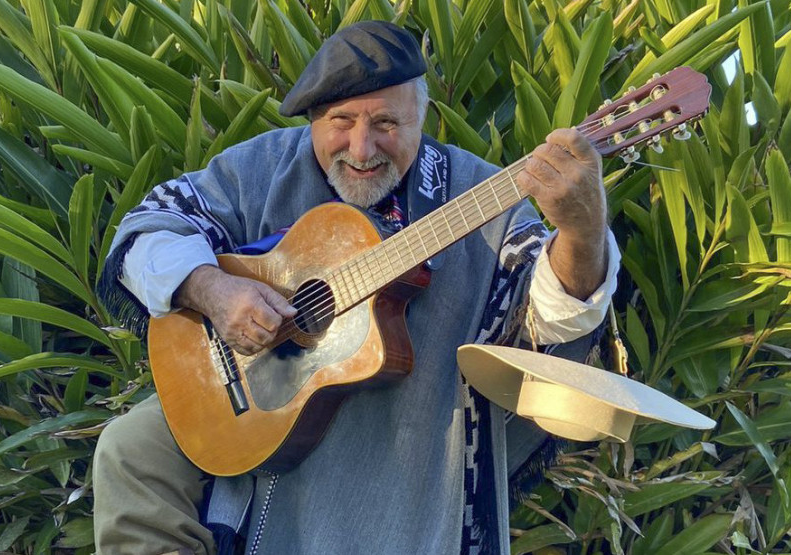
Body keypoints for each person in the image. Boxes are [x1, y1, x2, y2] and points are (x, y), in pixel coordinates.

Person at [94, 20, 620, 555]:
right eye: (340, 122)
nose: (362, 147)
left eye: (387, 123)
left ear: (423, 118)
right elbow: (152, 228)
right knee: (130, 448)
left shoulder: (485, 197)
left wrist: (583, 230)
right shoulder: (265, 165)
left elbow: (552, 318)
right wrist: (214, 291)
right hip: (254, 408)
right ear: (313, 121)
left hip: (411, 439)